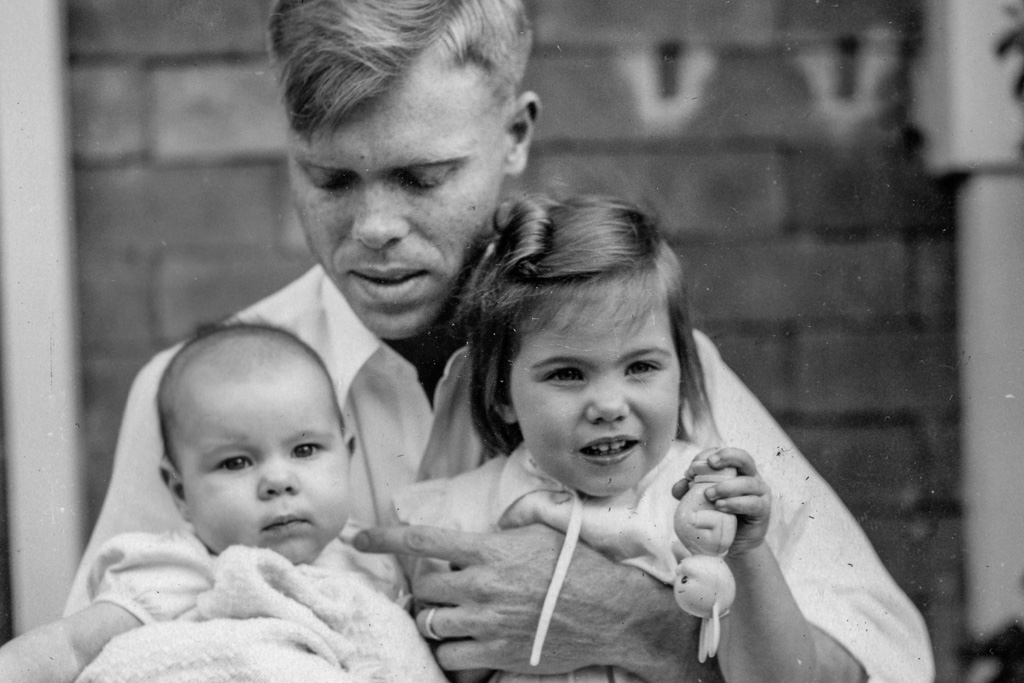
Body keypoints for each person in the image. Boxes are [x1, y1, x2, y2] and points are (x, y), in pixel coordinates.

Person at [64, 1, 934, 681]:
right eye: (329, 176)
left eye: (421, 177)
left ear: (515, 135)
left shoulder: (642, 371)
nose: (374, 227)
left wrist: (642, 623)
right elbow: (108, 656)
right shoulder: (196, 394)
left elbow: (887, 655)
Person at [392, 195, 926, 683]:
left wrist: (747, 554)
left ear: (684, 371)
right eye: (567, 374)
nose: (607, 404)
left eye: (641, 367)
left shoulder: (708, 505)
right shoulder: (459, 509)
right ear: (502, 393)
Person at [3, 324, 444, 683]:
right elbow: (70, 646)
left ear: (346, 453)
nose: (278, 481)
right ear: (180, 492)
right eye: (236, 462)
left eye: (305, 450)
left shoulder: (374, 563)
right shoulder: (178, 567)